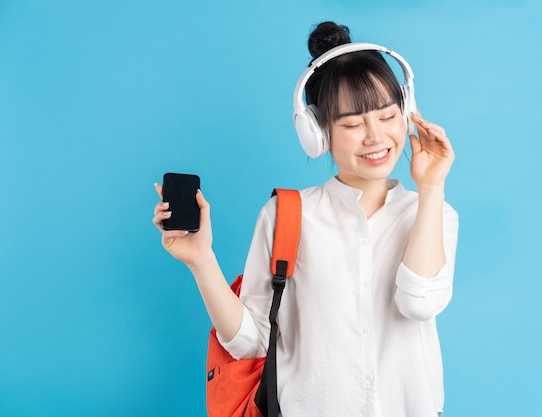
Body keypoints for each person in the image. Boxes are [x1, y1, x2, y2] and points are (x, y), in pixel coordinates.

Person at [153, 21, 458, 417]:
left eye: (387, 116)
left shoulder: (434, 214)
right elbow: (251, 342)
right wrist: (201, 260)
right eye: (351, 124)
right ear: (317, 130)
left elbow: (419, 302)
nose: (375, 136)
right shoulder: (286, 215)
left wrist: (432, 188)